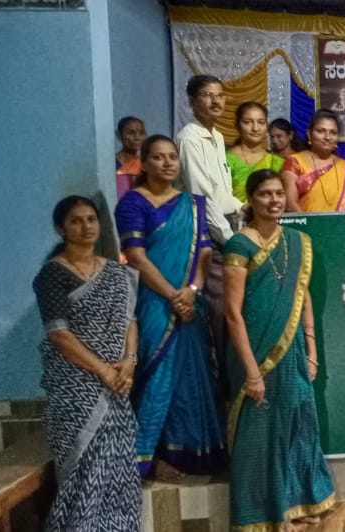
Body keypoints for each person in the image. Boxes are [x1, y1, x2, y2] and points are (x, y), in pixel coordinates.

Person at [223, 170, 336, 531]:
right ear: (250, 199)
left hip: (293, 351)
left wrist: (312, 349)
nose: (274, 201)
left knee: (299, 423)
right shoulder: (239, 245)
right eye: (265, 194)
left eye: (278, 194)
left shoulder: (297, 241)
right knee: (260, 433)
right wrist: (252, 372)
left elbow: (302, 297)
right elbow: (232, 313)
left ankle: (300, 502)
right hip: (254, 352)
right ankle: (267, 515)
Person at [115, 135, 228, 480]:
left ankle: (191, 452)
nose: (167, 163)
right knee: (157, 374)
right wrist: (173, 296)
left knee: (192, 375)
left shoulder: (193, 204)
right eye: (158, 157)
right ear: (145, 162)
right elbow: (136, 256)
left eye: (172, 157)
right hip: (155, 303)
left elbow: (205, 251)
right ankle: (145, 457)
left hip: (190, 302)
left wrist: (192, 291)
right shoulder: (133, 203)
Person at [34, 196, 141, 531]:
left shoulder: (116, 273)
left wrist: (129, 362)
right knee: (82, 480)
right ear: (60, 228)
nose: (86, 227)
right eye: (76, 221)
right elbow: (59, 334)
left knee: (119, 475)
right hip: (75, 393)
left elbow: (129, 321)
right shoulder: (53, 275)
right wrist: (104, 370)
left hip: (118, 386)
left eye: (91, 219)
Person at [175, 74, 241, 245]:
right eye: (207, 95)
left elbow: (221, 191)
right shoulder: (189, 139)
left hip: (225, 223)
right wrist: (229, 239)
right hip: (205, 230)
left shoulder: (218, 137)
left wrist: (243, 207)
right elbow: (201, 197)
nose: (216, 101)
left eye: (220, 95)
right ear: (191, 101)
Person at [281, 110, 345, 212]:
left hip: (340, 222)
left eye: (333, 132)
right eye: (321, 131)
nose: (327, 137)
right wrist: (311, 222)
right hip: (303, 222)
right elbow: (290, 204)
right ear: (309, 135)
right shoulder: (294, 162)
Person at [227, 102, 284, 203]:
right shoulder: (225, 159)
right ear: (237, 125)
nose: (255, 128)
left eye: (261, 122)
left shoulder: (276, 162)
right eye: (248, 122)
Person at [115, 116, 145, 199]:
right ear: (119, 135)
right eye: (131, 133)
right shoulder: (112, 164)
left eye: (141, 133)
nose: (137, 137)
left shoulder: (146, 166)